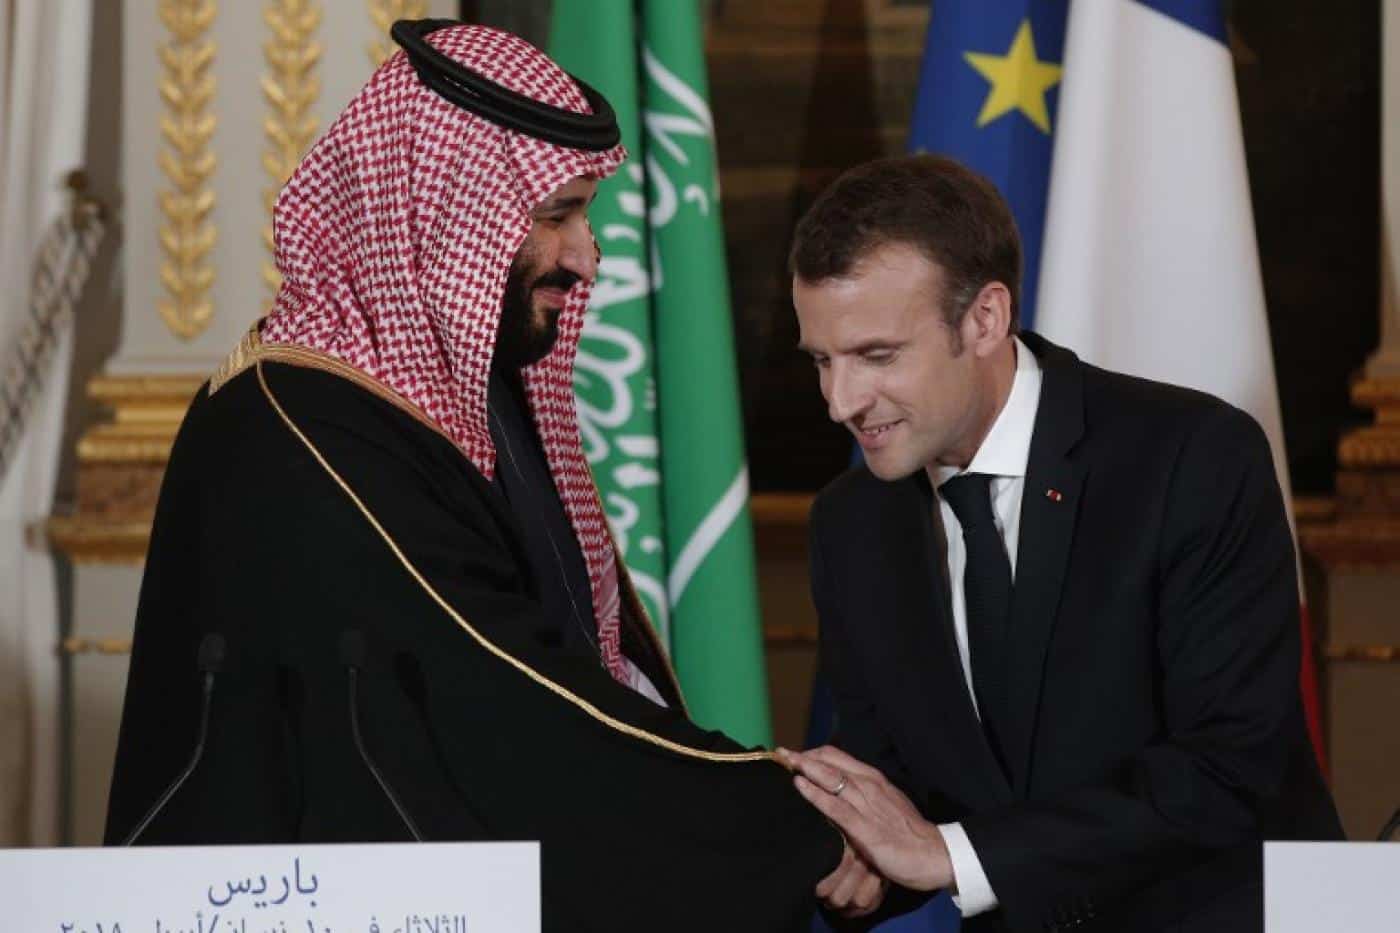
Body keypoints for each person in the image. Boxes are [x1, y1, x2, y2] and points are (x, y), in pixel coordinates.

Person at [103, 21, 844, 931]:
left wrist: (770, 801)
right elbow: (499, 694)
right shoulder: (295, 424)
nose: (587, 256)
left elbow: (580, 655)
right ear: (449, 211)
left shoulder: (473, 389)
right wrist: (788, 818)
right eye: (557, 214)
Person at [777, 154, 1343, 932]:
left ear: (985, 319)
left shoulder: (1193, 456)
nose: (840, 401)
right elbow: (904, 790)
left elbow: (1229, 768)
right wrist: (856, 856)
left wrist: (951, 855)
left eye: (877, 356)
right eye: (821, 360)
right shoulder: (851, 524)